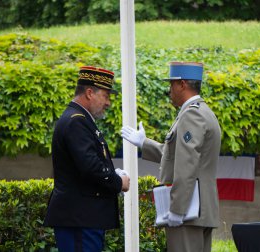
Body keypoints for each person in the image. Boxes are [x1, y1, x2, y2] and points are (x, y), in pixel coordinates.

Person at [121, 62, 221, 252]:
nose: (169, 90)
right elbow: (179, 156)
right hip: (200, 209)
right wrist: (145, 143)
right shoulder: (203, 112)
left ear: (182, 84)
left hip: (189, 211)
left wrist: (177, 209)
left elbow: (186, 165)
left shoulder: (191, 115)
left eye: (172, 84)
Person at [44, 66, 130, 251]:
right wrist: (118, 182)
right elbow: (91, 168)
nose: (108, 103)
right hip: (80, 218)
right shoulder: (77, 121)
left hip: (82, 217)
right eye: (106, 96)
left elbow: (86, 164)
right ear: (90, 92)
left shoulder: (80, 119)